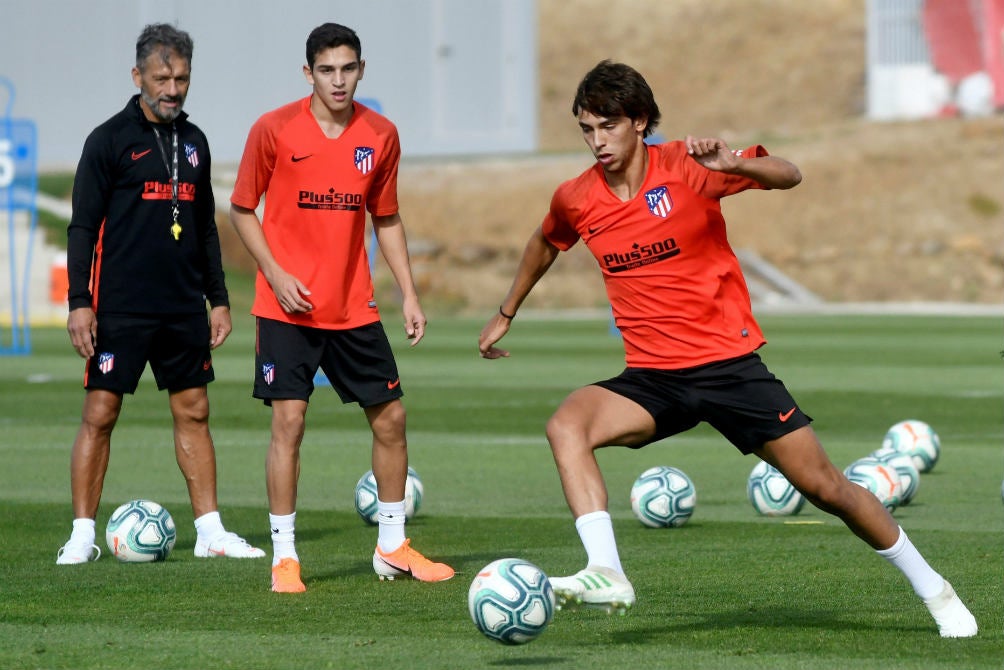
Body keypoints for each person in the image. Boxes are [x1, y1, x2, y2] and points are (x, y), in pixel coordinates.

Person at [477, 60, 977, 638]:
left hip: (730, 369)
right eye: (586, 129)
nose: (597, 141)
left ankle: (936, 591)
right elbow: (546, 240)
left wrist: (735, 163)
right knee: (567, 425)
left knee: (826, 487)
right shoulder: (578, 197)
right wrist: (506, 310)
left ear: (639, 120)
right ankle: (606, 571)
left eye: (607, 126)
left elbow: (790, 175)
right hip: (653, 379)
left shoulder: (691, 165)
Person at [229, 22, 454, 593]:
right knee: (290, 421)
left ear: (361, 70)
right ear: (308, 73)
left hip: (354, 308)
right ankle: (284, 557)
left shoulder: (380, 135)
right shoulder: (273, 129)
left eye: (347, 69)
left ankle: (392, 546)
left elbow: (387, 217)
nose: (338, 80)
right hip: (286, 309)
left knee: (393, 418)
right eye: (326, 70)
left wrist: (409, 292)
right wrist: (276, 275)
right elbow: (241, 209)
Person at [57, 24, 264, 565]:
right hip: (119, 306)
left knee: (194, 410)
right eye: (162, 78)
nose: (173, 89)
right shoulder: (107, 140)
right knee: (100, 413)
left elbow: (205, 230)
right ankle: (82, 535)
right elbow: (82, 227)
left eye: (182, 79)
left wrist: (218, 298)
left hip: (181, 307)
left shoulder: (195, 142)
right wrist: (80, 301)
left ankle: (211, 531)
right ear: (138, 76)